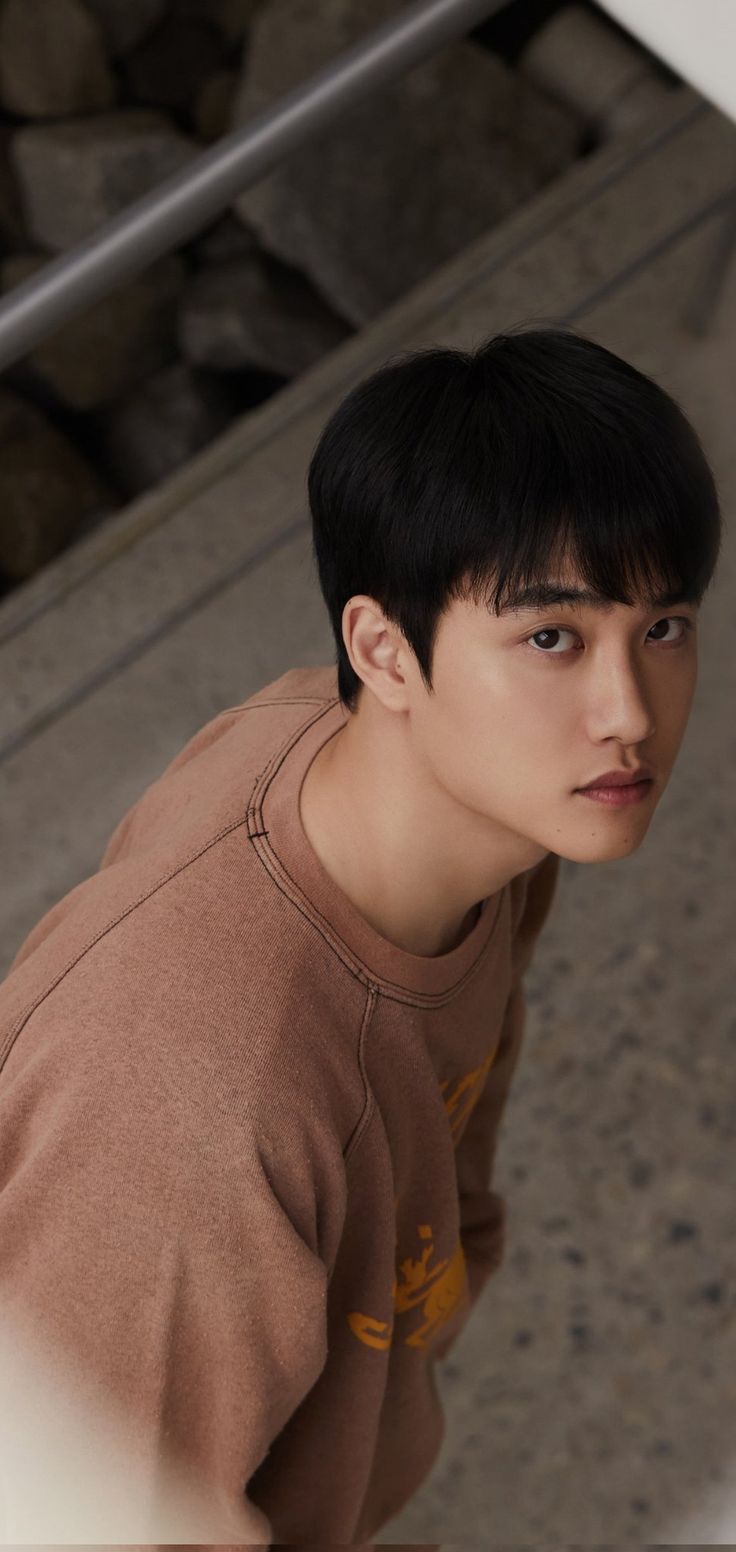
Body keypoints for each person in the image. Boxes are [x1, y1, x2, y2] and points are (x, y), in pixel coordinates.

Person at [0, 322, 722, 1546]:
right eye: (552, 637)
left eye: (661, 627)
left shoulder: (481, 818)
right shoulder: (195, 1114)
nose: (628, 714)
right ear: (382, 650)